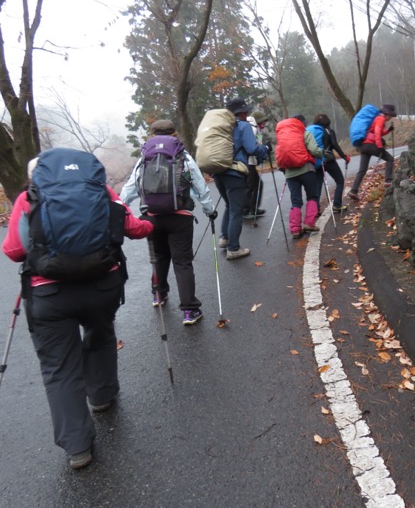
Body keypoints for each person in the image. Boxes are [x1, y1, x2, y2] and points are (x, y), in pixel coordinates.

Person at [2, 153, 153, 470]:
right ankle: (101, 396)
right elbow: (133, 227)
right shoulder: (102, 191)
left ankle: (78, 447)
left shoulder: (28, 198)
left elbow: (15, 250)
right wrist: (150, 223)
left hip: (49, 293)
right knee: (100, 337)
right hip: (102, 286)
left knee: (59, 368)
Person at [119, 120, 217, 326]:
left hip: (151, 217)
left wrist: (122, 209)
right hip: (180, 216)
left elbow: (129, 189)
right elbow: (200, 185)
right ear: (175, 133)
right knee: (182, 262)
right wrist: (210, 210)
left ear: (151, 134)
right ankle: (189, 311)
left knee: (159, 258)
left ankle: (158, 295)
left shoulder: (144, 157)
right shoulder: (182, 155)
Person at [213, 98, 270, 260]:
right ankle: (233, 248)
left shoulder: (220, 126)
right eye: (246, 111)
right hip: (234, 172)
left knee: (229, 205)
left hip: (217, 171)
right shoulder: (243, 126)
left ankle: (224, 238)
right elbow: (252, 149)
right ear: (242, 112)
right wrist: (265, 149)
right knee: (237, 210)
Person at [275, 115, 324, 239]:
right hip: (307, 169)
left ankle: (295, 229)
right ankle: (309, 223)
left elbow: (279, 155)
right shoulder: (305, 133)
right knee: (312, 196)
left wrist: (284, 170)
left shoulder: (282, 136)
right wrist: (321, 153)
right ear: (302, 124)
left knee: (295, 200)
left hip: (290, 173)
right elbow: (314, 150)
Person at [348, 103, 396, 200]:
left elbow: (377, 131)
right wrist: (379, 146)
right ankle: (388, 181)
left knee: (362, 170)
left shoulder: (377, 118)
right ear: (388, 114)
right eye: (391, 115)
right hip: (370, 144)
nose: (391, 118)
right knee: (390, 159)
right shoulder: (381, 118)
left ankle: (353, 191)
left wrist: (388, 130)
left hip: (363, 145)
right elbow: (377, 132)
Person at [311, 114, 350, 212]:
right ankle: (337, 205)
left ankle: (315, 210)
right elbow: (334, 144)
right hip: (328, 159)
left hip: (316, 161)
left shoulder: (311, 131)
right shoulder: (328, 130)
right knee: (340, 181)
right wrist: (344, 157)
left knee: (318, 185)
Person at [244, 109, 269, 219]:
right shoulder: (252, 129)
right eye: (262, 122)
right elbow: (252, 147)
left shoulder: (256, 129)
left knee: (256, 184)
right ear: (258, 121)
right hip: (247, 162)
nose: (264, 124)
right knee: (251, 185)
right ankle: (247, 209)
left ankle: (252, 208)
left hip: (250, 162)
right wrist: (264, 149)